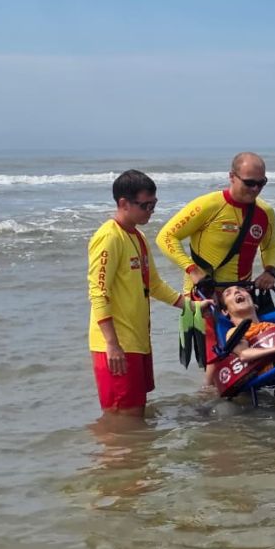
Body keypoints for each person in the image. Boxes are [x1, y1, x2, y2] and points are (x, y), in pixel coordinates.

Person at [157, 152, 275, 387]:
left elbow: (270, 245)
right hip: (204, 293)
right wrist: (193, 271)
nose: (256, 189)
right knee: (215, 356)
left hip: (240, 294)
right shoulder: (208, 205)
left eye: (261, 183)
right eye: (249, 183)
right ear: (232, 177)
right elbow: (166, 237)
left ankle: (248, 395)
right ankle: (208, 399)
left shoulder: (265, 212)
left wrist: (270, 270)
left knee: (250, 347)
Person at [88, 170, 190, 416]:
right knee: (122, 420)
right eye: (146, 205)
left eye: (154, 204)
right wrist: (112, 344)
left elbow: (153, 284)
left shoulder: (138, 236)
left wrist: (189, 306)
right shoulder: (109, 237)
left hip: (138, 341)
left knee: (136, 417)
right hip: (116, 347)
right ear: (124, 203)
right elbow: (98, 292)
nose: (151, 211)